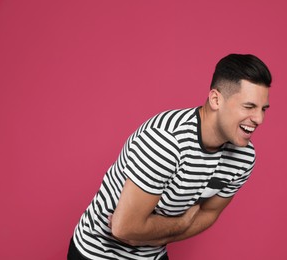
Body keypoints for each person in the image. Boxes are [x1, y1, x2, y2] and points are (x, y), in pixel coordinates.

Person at [68, 53, 272, 260]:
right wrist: (182, 223)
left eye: (263, 109)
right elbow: (123, 228)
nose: (259, 119)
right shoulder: (166, 141)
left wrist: (155, 238)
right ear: (216, 99)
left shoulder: (244, 156)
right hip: (98, 254)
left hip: (153, 254)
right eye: (249, 107)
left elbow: (209, 213)